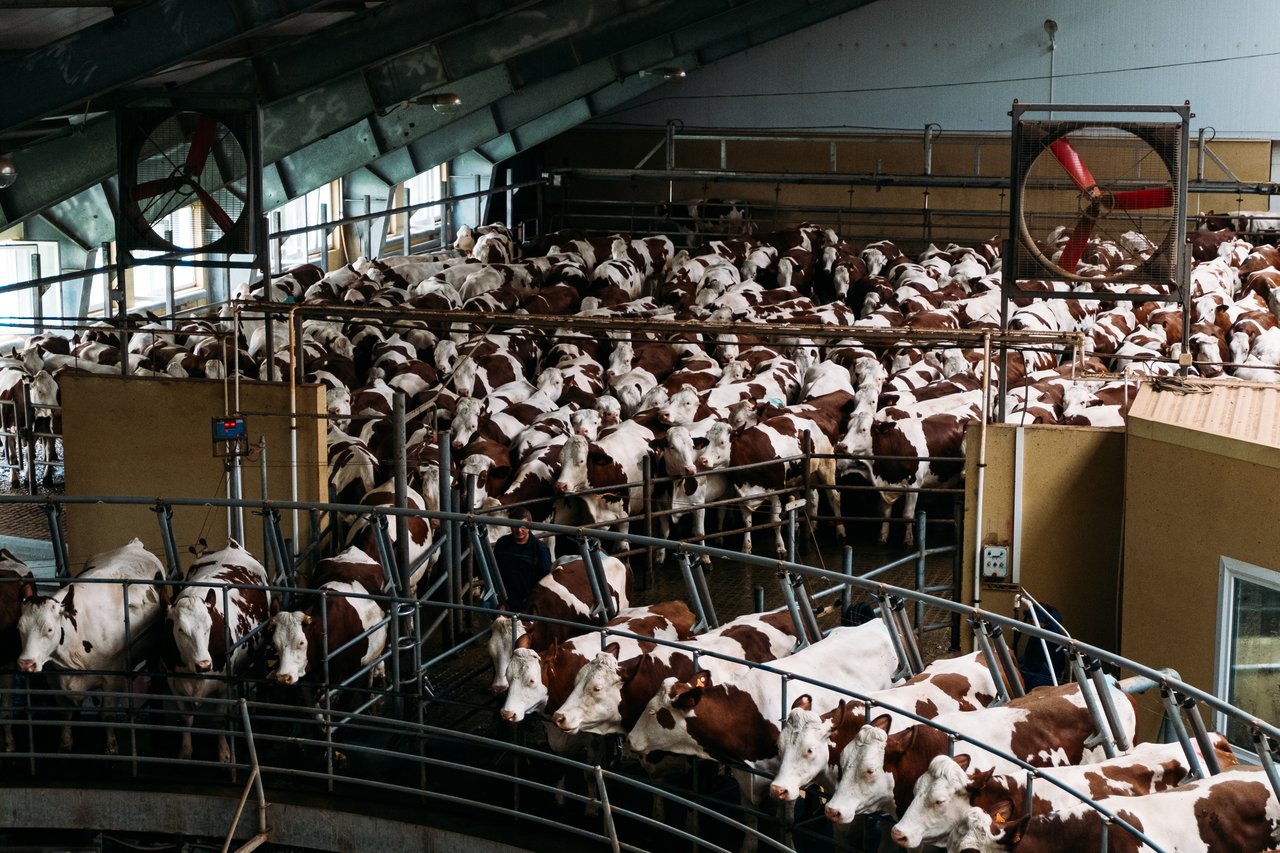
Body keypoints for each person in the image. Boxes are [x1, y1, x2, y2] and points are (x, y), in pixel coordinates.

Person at [491, 510, 552, 612]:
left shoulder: (540, 549)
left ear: (530, 526)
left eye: (523, 526)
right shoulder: (502, 544)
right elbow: (494, 571)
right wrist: (500, 600)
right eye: (515, 526)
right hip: (506, 600)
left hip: (530, 602)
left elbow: (545, 580)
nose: (519, 530)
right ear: (510, 526)